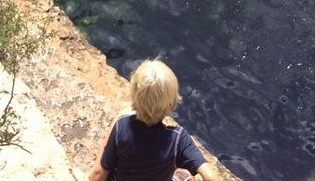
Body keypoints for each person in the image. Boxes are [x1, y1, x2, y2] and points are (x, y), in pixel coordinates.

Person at [87, 59, 220, 181]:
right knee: (185, 174)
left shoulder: (122, 126)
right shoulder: (178, 140)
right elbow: (212, 178)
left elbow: (98, 174)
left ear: (133, 95)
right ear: (173, 101)